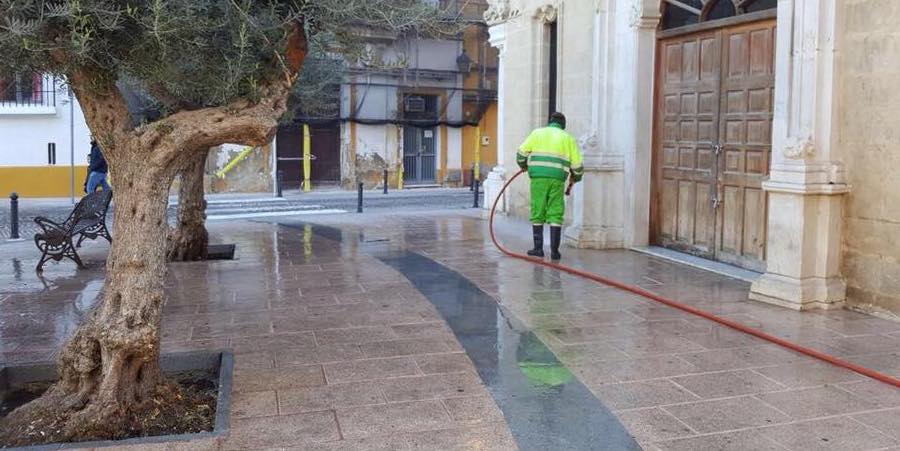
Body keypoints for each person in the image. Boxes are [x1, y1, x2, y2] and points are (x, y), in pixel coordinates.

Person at [516, 112, 583, 260]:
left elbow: (521, 154)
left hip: (538, 178)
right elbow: (577, 166)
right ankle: (554, 252)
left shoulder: (537, 133)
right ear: (563, 125)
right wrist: (576, 177)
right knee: (555, 212)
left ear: (550, 122)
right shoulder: (568, 139)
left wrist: (524, 166)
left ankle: (538, 249)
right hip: (557, 180)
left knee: (537, 209)